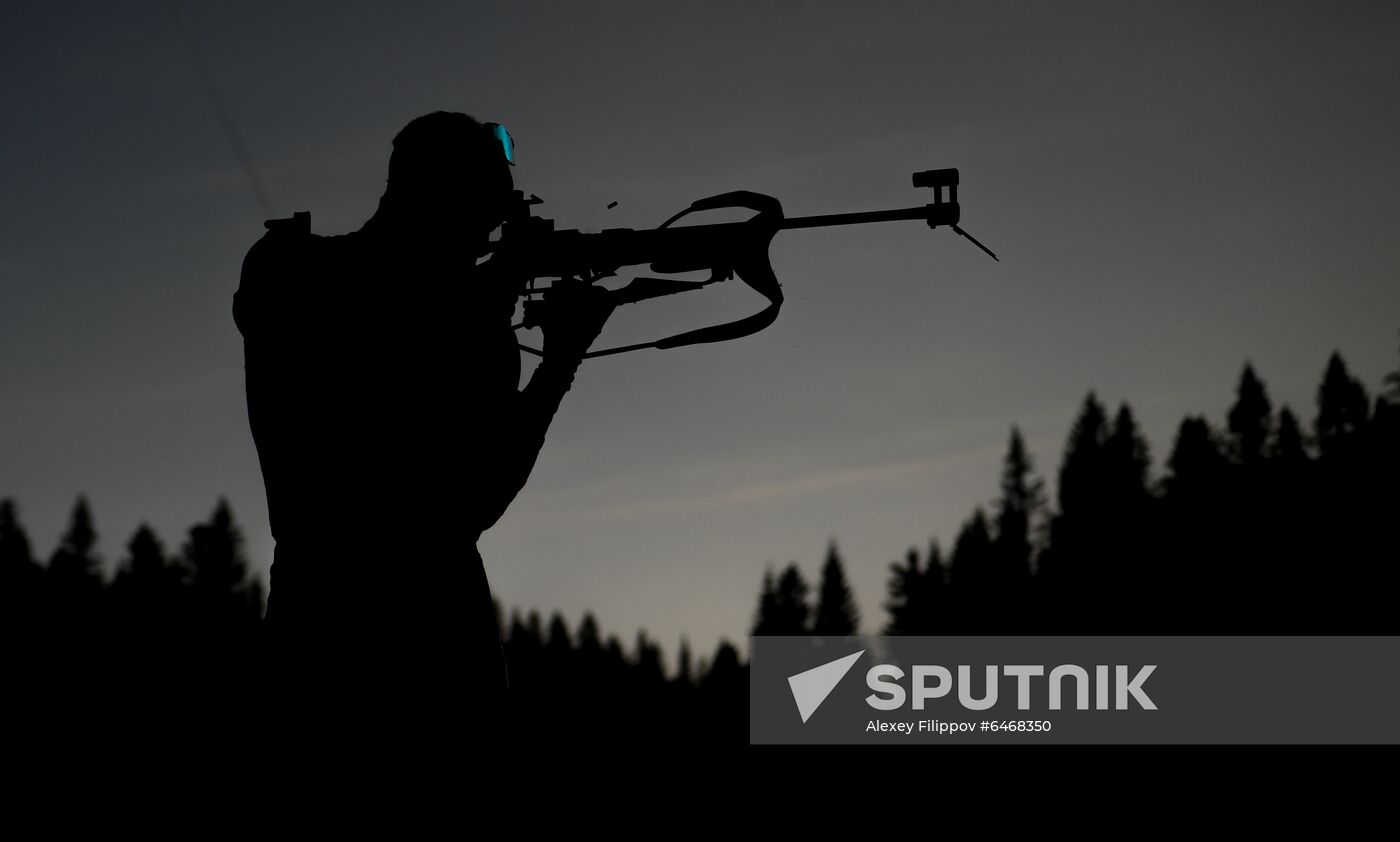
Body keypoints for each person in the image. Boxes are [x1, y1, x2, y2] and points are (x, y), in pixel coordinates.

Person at [232, 111, 613, 732]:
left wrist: (537, 340)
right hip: (398, 643)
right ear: (442, 200)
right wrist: (557, 358)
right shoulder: (291, 270)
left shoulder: (460, 313)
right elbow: (468, 500)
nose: (490, 232)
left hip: (337, 635)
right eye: (485, 212)